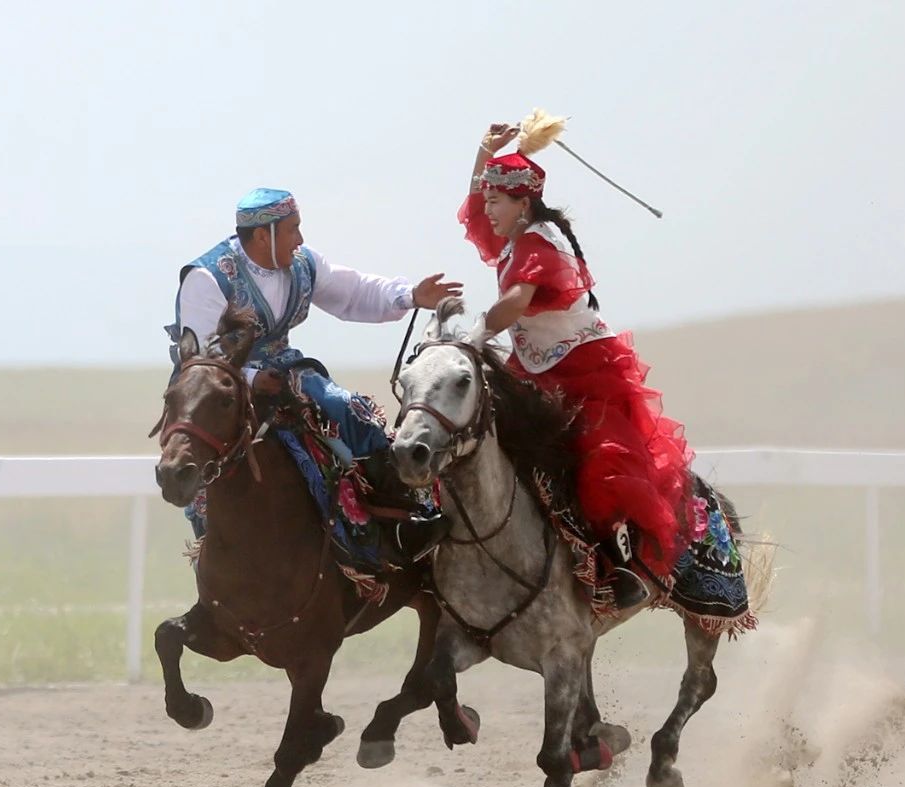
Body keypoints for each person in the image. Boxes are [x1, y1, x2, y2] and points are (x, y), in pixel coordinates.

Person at [458, 125, 693, 607]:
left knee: (601, 466)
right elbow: (478, 204)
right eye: (489, 202)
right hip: (538, 371)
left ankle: (621, 564)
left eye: (496, 202)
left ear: (522, 205)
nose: (488, 211)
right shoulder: (514, 234)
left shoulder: (537, 245)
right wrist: (485, 151)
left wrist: (473, 333)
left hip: (586, 375)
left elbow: (515, 303)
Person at [168, 187, 459, 561]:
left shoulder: (302, 263)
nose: (300, 239)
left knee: (354, 411)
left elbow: (352, 291)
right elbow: (204, 357)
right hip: (215, 387)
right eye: (293, 229)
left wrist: (410, 295)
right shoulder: (207, 278)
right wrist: (254, 379)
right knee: (201, 461)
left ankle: (401, 520)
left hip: (285, 371)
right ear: (263, 235)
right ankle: (214, 552)